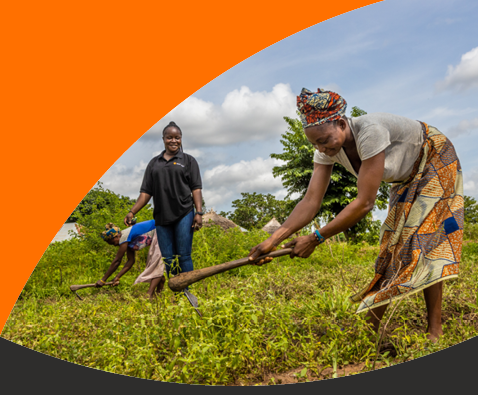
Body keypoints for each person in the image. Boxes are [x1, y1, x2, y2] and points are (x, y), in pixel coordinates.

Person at [248, 87, 463, 342]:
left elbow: (364, 203)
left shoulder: (370, 132)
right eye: (314, 143)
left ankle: (433, 330)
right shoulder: (325, 149)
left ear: (341, 123)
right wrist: (274, 239)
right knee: (392, 245)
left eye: (325, 140)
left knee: (421, 242)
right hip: (406, 177)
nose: (321, 148)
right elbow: (310, 201)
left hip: (435, 159)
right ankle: (371, 326)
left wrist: (316, 237)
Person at [124, 121, 203, 294]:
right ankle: (176, 290)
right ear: (163, 139)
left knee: (183, 254)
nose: (173, 141)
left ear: (181, 139)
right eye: (170, 137)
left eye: (177, 137)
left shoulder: (188, 161)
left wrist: (198, 212)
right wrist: (132, 211)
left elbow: (196, 188)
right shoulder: (154, 163)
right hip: (161, 216)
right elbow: (146, 193)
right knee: (168, 258)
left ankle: (187, 292)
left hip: (184, 212)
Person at [96, 220, 166, 298]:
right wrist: (117, 277)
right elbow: (130, 261)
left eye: (113, 243)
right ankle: (159, 297)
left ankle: (148, 295)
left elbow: (117, 261)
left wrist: (103, 280)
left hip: (161, 229)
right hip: (159, 233)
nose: (114, 245)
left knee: (156, 265)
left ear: (117, 236)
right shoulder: (128, 240)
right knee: (156, 266)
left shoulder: (124, 237)